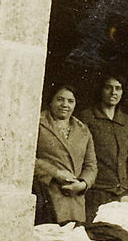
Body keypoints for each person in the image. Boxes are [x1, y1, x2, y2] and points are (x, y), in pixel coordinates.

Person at [33, 84, 97, 225]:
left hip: (75, 201)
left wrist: (83, 184)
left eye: (70, 101)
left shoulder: (83, 130)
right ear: (50, 101)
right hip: (47, 198)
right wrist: (55, 173)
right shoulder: (37, 124)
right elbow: (26, 158)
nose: (65, 105)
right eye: (60, 99)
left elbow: (91, 165)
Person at [78, 74, 128, 222]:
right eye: (108, 87)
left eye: (118, 88)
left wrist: (127, 184)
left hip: (121, 192)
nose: (113, 92)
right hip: (96, 191)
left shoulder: (125, 120)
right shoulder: (87, 117)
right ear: (100, 90)